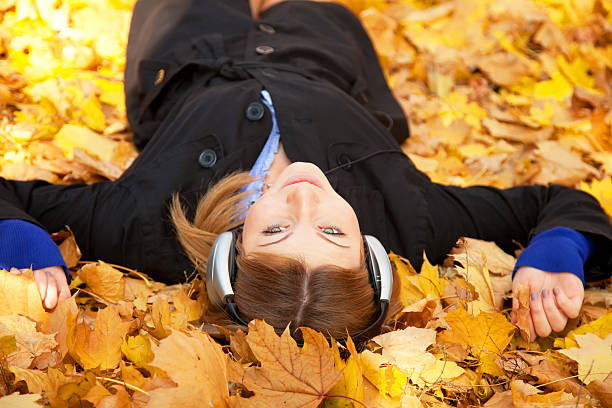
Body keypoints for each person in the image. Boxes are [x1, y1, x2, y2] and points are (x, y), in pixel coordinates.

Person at [1, 0, 611, 343]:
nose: (304, 205)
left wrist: (22, 236)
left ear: (229, 251)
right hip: (325, 52)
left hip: (190, 44)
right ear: (370, 251)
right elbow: (559, 203)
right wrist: (557, 248)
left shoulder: (143, 221)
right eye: (331, 234)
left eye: (273, 233)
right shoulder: (416, 217)